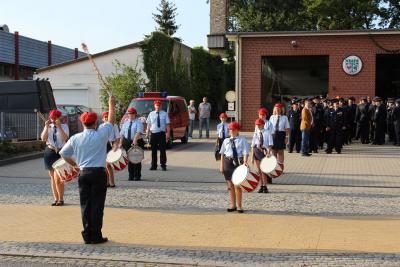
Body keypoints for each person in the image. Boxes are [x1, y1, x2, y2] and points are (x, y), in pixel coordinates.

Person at [59, 96, 116, 244]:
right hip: (98, 173)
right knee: (97, 205)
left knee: (85, 205)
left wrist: (74, 165)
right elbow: (111, 121)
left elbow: (63, 154)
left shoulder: (75, 138)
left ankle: (86, 235)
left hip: (83, 173)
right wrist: (111, 104)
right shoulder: (101, 135)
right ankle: (96, 235)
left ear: (82, 122)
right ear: (95, 122)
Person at [41, 109, 69, 206]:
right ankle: (55, 198)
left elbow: (65, 138)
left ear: (59, 118)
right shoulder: (48, 127)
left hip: (60, 152)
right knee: (52, 178)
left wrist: (59, 127)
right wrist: (45, 127)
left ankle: (61, 199)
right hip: (50, 151)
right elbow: (43, 138)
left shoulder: (64, 126)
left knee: (59, 177)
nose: (53, 119)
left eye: (55, 118)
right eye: (52, 118)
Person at [219, 121, 249, 213]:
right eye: (230, 129)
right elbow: (222, 154)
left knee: (237, 185)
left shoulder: (242, 140)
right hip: (228, 162)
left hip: (238, 162)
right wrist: (221, 165)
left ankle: (239, 206)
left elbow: (245, 152)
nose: (231, 131)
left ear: (237, 130)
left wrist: (245, 162)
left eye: (232, 129)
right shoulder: (226, 140)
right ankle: (233, 205)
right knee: (230, 186)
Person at [120, 108, 144, 180]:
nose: (130, 115)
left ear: (135, 114)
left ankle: (137, 175)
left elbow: (138, 132)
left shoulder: (138, 122)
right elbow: (122, 134)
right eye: (129, 114)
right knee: (129, 159)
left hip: (136, 141)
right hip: (127, 141)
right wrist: (120, 143)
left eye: (132, 114)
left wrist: (135, 140)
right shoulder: (126, 123)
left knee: (136, 159)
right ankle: (131, 175)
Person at [146, 100, 170, 171]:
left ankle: (163, 165)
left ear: (161, 106)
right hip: (153, 134)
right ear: (154, 106)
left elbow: (167, 125)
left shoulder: (164, 114)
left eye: (159, 105)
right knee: (154, 151)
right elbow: (148, 124)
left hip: (162, 133)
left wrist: (168, 134)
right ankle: (154, 165)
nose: (158, 107)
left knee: (162, 150)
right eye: (156, 105)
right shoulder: (151, 114)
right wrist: (147, 133)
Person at [251, 118, 273, 193]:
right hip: (256, 152)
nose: (258, 126)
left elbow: (270, 144)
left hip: (264, 152)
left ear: (263, 124)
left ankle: (265, 186)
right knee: (259, 171)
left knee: (264, 170)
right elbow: (253, 145)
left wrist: (269, 153)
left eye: (259, 124)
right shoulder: (256, 133)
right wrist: (252, 157)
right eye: (257, 125)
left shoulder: (267, 132)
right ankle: (261, 185)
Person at [99, 112, 120, 187]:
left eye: (108, 117)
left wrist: (116, 145)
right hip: (103, 145)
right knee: (105, 165)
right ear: (103, 119)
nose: (106, 119)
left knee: (108, 165)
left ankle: (112, 182)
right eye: (105, 117)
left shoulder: (114, 125)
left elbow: (117, 137)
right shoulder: (100, 126)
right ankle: (107, 182)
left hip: (111, 144)